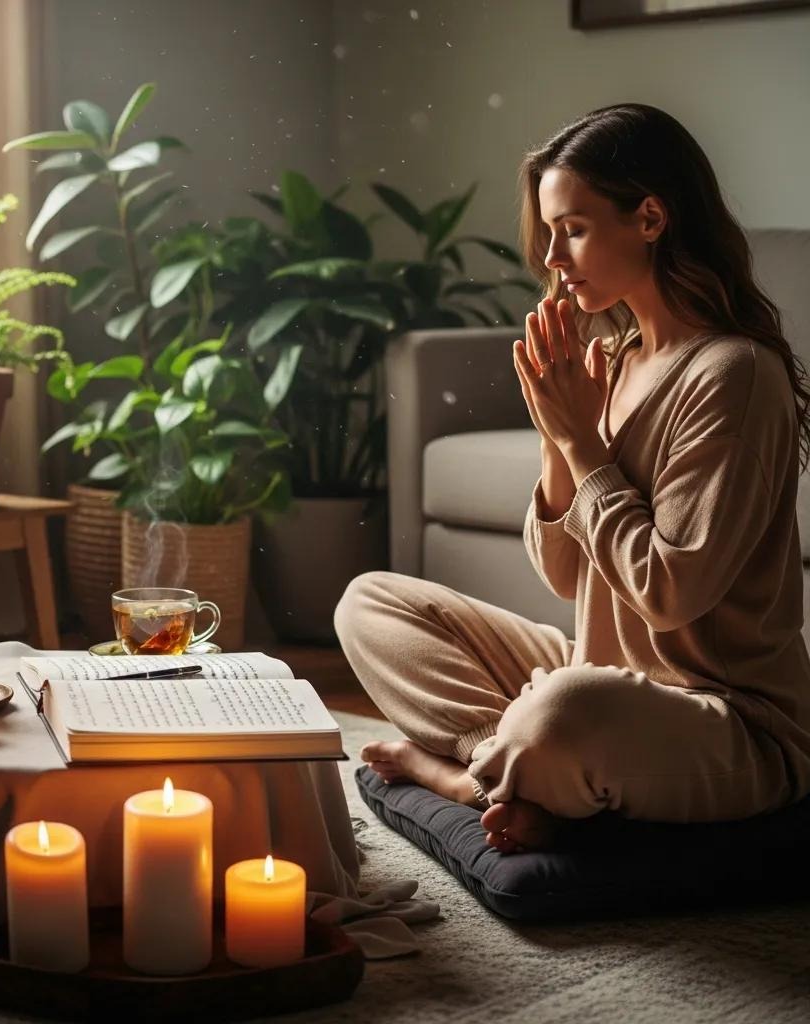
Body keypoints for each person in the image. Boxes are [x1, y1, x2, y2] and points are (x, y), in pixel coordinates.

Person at [334, 103, 810, 855]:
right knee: (371, 603)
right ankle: (524, 767)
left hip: (728, 724)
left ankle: (469, 778)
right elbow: (564, 575)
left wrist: (582, 444)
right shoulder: (614, 358)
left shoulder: (735, 374)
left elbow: (670, 591)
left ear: (650, 217)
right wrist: (559, 436)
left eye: (574, 229)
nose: (552, 257)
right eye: (550, 234)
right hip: (598, 673)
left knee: (563, 709)